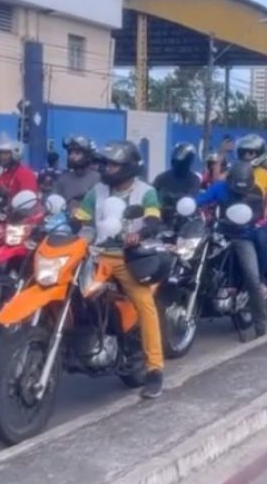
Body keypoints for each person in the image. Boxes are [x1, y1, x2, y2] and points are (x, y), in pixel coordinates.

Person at [76, 141, 165, 399]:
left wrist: (140, 233)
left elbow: (153, 219)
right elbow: (80, 218)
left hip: (128, 258)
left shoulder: (145, 192)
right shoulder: (98, 191)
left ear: (128, 167)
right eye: (106, 163)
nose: (107, 168)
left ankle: (154, 370)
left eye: (113, 164)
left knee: (145, 305)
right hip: (96, 256)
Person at [196, 161, 267, 338]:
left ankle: (260, 322)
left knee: (252, 277)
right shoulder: (219, 188)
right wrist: (188, 203)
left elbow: (258, 213)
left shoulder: (256, 191)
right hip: (218, 234)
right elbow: (202, 200)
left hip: (243, 237)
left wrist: (252, 221)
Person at [236, 135, 267, 294]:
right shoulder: (235, 171)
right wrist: (220, 157)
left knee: (261, 243)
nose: (247, 156)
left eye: (251, 153)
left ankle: (260, 280)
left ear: (259, 154)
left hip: (257, 221)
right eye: (244, 152)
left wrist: (264, 217)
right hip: (234, 221)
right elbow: (217, 182)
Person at [153, 142, 201, 226]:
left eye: (183, 163)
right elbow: (152, 195)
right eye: (176, 162)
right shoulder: (162, 178)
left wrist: (176, 197)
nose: (179, 165)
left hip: (186, 219)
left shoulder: (194, 179)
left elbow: (192, 197)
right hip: (163, 219)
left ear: (189, 162)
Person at [54, 135, 100, 211]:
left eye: (77, 153)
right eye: (70, 153)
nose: (72, 156)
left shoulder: (97, 179)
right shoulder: (63, 179)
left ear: (87, 156)